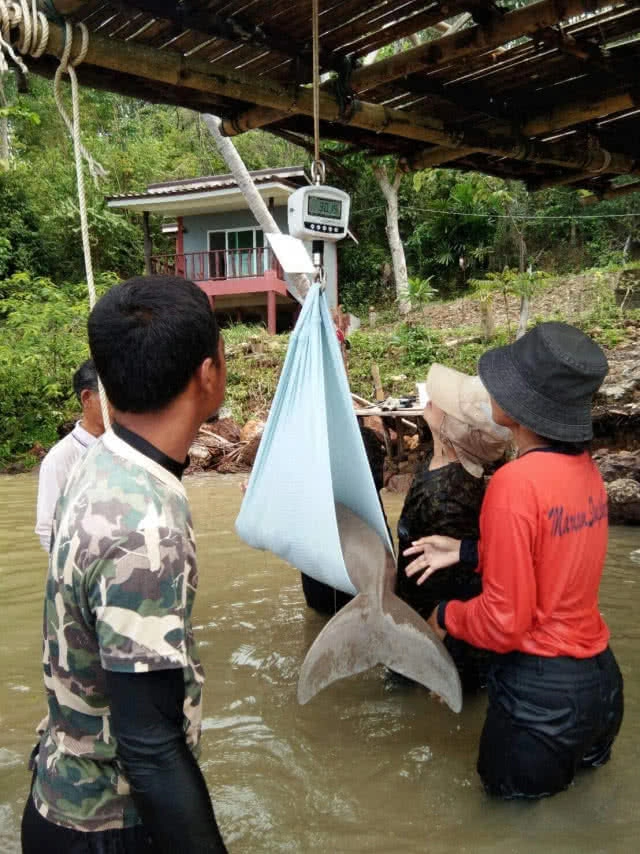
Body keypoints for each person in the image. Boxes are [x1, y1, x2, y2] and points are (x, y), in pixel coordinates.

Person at [22, 276, 228, 852]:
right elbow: (150, 747)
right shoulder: (147, 524)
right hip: (106, 828)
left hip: (57, 795)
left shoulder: (101, 459)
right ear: (208, 374)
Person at [404, 322, 624, 799]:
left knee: (506, 821)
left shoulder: (513, 484)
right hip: (600, 688)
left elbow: (505, 623)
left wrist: (445, 616)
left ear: (524, 410)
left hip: (541, 701)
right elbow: (555, 556)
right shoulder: (585, 472)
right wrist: (465, 550)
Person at [395, 365, 511, 691]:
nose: (432, 397)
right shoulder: (440, 466)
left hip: (436, 628)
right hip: (422, 611)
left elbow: (455, 580)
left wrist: (436, 644)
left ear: (451, 431)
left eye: (442, 402)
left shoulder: (446, 494)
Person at [34, 359, 107, 551]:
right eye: (113, 395)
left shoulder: (127, 446)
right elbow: (47, 529)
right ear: (87, 398)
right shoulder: (61, 458)